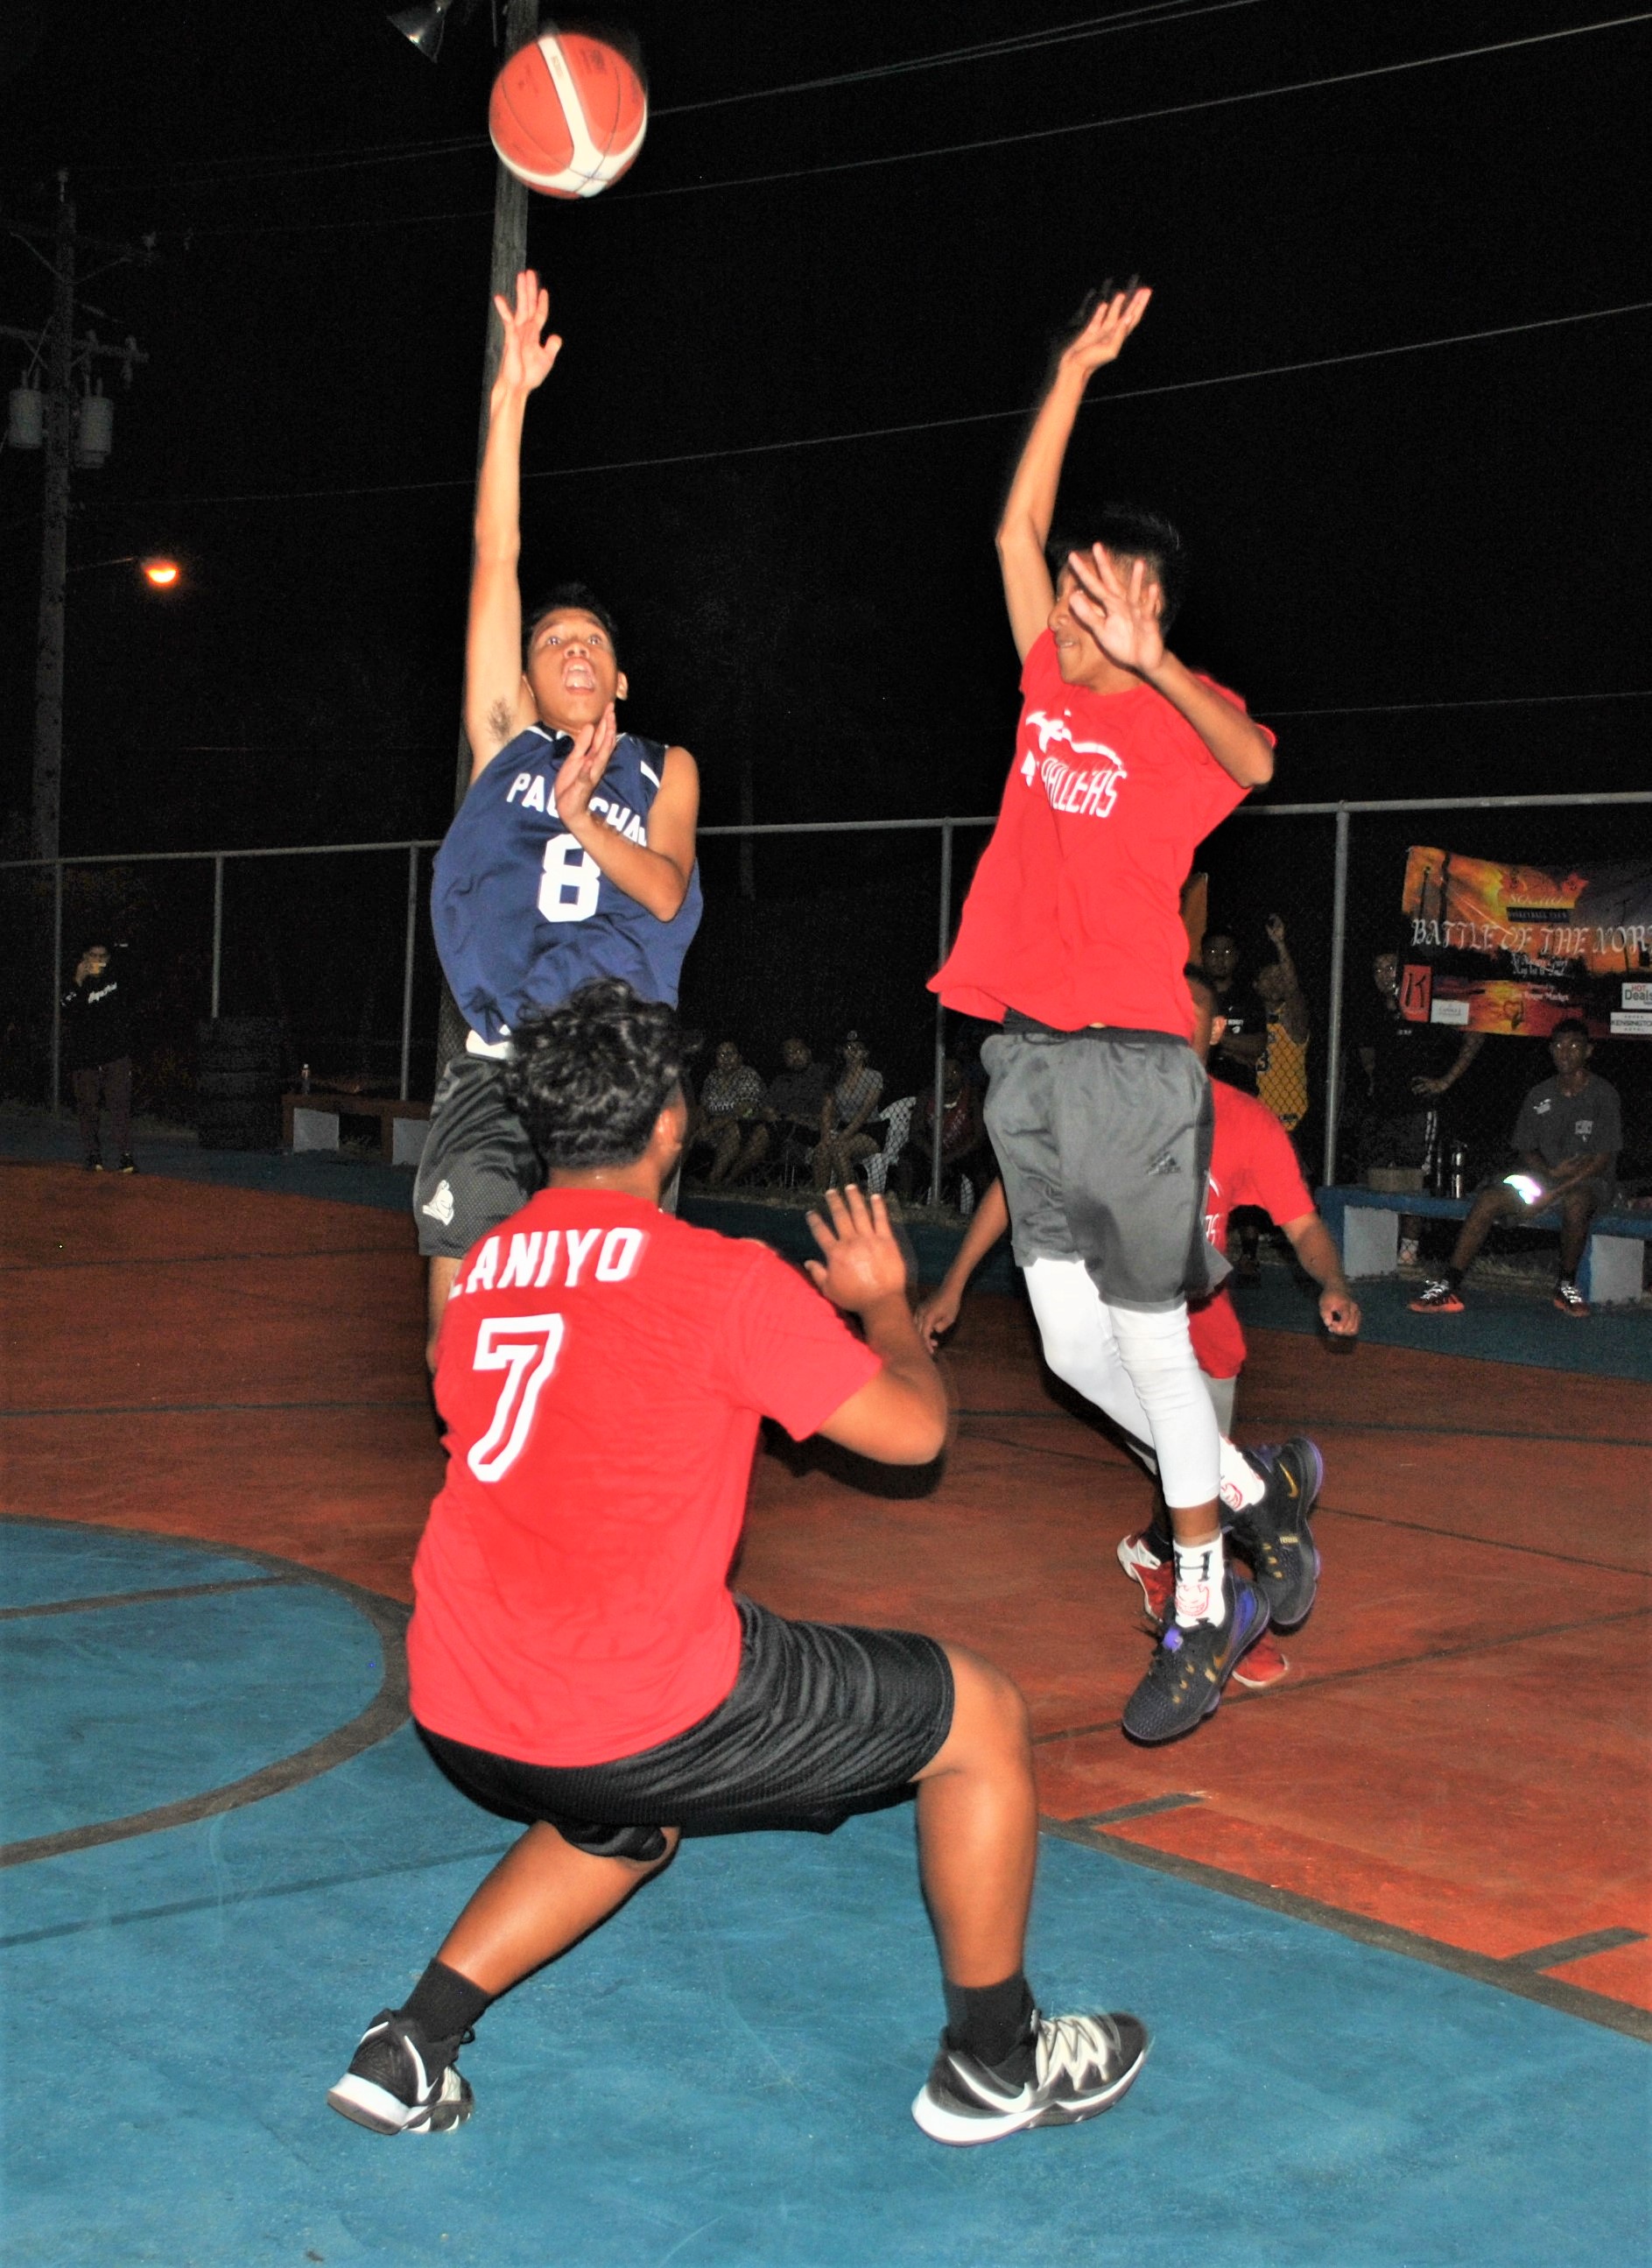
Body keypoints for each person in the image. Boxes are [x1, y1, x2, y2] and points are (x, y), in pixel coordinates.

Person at [328, 981, 1149, 2149]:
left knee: (621, 1814)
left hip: (460, 1693)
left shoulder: (484, 1275)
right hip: (627, 1702)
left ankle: (414, 2039)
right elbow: (915, 1436)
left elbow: (580, 1398)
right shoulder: (716, 1279)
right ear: (671, 1121)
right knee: (979, 1719)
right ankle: (993, 2062)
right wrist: (884, 1313)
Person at [928, 278, 1320, 1744]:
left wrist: (1158, 663)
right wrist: (1070, 370)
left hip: (1135, 1058)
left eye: (1103, 593)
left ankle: (1206, 1602)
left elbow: (1259, 763)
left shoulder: (1171, 711)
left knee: (1149, 1334)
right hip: (1023, 1054)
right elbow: (1009, 533)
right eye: (1075, 590)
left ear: (1146, 604)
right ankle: (1245, 1486)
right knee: (1070, 1346)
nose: (1073, 604)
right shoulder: (1042, 680)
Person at [917, 966, 1359, 1687]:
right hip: (1118, 1335)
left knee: (1197, 1479)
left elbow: (1302, 1223)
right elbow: (1017, 1186)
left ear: (1216, 1031)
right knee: (1197, 1482)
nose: (1168, 1020)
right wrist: (954, 1283)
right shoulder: (1101, 1105)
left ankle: (1160, 1557)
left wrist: (1333, 1283)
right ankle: (1211, 1624)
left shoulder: (1244, 1121)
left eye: (1187, 1011)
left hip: (1205, 1347)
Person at [413, 269, 702, 1364]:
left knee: (623, 1326)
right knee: (458, 1318)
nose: (572, 648)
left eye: (592, 642)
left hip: (620, 1070)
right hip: (500, 1055)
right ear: (528, 684)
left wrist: (585, 818)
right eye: (552, 643)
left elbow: (667, 888)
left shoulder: (666, 766)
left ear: (621, 679)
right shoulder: (506, 749)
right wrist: (512, 398)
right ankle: (480, 1484)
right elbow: (497, 554)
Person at [1410, 1019, 1620, 1318]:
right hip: (1546, 1177)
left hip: (1588, 1181)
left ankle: (1566, 1285)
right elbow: (1525, 1148)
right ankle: (1448, 1285)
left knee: (1576, 1203)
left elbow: (1601, 1161)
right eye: (1559, 1046)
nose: (1565, 1053)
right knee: (1490, 1198)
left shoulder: (1603, 1095)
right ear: (1550, 1050)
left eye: (1574, 1046)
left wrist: (1556, 1190)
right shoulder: (1539, 1095)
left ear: (1588, 1051)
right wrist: (1549, 1174)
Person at [1358, 951, 1484, 1262]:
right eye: (1377, 968)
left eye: (1391, 967)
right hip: (1381, 1108)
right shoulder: (1372, 1012)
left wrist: (1445, 1081)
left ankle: (1409, 1254)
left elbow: (1477, 1030)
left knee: (1412, 1179)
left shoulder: (1428, 1006)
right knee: (1375, 1177)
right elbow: (1365, 1048)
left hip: (1418, 1109)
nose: (1384, 974)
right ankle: (1376, 1252)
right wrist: (1374, 1075)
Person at [62, 941, 136, 1173]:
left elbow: (132, 964)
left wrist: (121, 946)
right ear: (85, 957)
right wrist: (78, 980)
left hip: (115, 1054)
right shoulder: (75, 983)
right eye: (93, 956)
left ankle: (125, 1155)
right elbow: (67, 1009)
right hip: (85, 1057)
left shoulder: (116, 979)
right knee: (88, 1107)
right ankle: (93, 1155)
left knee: (120, 1105)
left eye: (102, 956)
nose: (97, 961)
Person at [690, 1039, 770, 1187]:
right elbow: (703, 1106)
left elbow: (744, 1110)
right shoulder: (713, 1077)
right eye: (721, 1055)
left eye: (730, 1054)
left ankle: (714, 1179)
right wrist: (702, 1124)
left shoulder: (747, 1075)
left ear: (740, 1057)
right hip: (714, 1125)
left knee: (733, 1128)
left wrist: (711, 1127)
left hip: (744, 1126)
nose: (725, 1058)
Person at [812, 1032, 883, 1190]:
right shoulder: (836, 1076)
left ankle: (850, 1196)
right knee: (821, 1151)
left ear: (865, 1053)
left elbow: (863, 1114)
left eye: (858, 1048)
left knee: (839, 1149)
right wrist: (826, 1136)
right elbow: (827, 1109)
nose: (852, 1052)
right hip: (843, 1126)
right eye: (849, 1047)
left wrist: (841, 1138)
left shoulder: (874, 1076)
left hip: (869, 1129)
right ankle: (820, 1196)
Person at [1201, 931, 1267, 1100]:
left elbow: (1256, 1046)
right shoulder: (1194, 994)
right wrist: (1234, 1051)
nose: (1220, 959)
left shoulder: (1248, 997)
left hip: (1239, 1089)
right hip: (1201, 1089)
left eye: (1227, 952)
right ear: (1202, 955)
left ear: (1236, 957)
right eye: (1213, 952)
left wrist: (1213, 1037)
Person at [764, 1034, 831, 1179]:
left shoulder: (824, 1073)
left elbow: (831, 1107)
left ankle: (790, 1181)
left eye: (798, 1051)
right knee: (761, 1131)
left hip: (813, 1127)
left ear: (809, 1052)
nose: (795, 1057)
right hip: (782, 1125)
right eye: (789, 1054)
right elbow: (767, 1109)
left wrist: (803, 1118)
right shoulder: (780, 1080)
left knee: (794, 1134)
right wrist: (780, 1118)